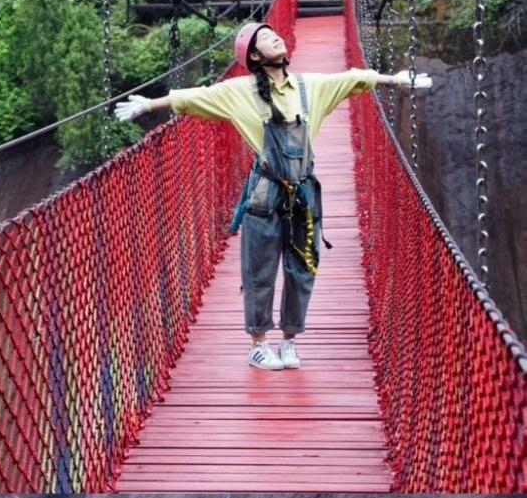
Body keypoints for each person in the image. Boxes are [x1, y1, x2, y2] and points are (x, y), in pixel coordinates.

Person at [115, 23, 433, 370]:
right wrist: (150, 105)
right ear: (254, 55)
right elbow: (194, 97)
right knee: (260, 269)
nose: (276, 37)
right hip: (265, 194)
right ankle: (259, 343)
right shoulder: (239, 91)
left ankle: (289, 342)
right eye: (265, 38)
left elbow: (355, 78)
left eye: (274, 34)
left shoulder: (309, 86)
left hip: (303, 193)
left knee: (302, 268)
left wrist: (397, 80)